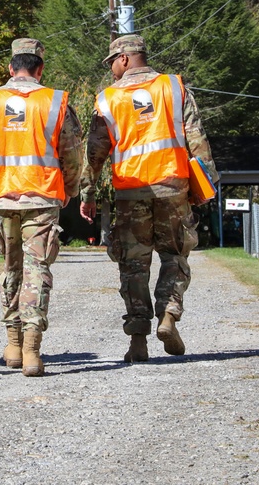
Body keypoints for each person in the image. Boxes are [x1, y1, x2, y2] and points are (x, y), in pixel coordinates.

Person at [79, 34, 218, 363]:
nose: (111, 68)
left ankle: (138, 340)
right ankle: (168, 316)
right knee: (175, 255)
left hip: (130, 192)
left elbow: (94, 153)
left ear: (125, 58)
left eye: (112, 61)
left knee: (133, 264)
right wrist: (205, 185)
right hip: (173, 187)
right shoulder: (174, 87)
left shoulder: (108, 99)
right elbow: (197, 139)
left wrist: (88, 193)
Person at [0, 38, 82, 377]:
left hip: (0, 199)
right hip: (42, 198)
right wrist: (70, 188)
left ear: (11, 68)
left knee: (11, 269)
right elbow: (73, 153)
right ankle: (32, 351)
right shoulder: (55, 101)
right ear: (40, 69)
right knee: (37, 270)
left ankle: (13, 345)